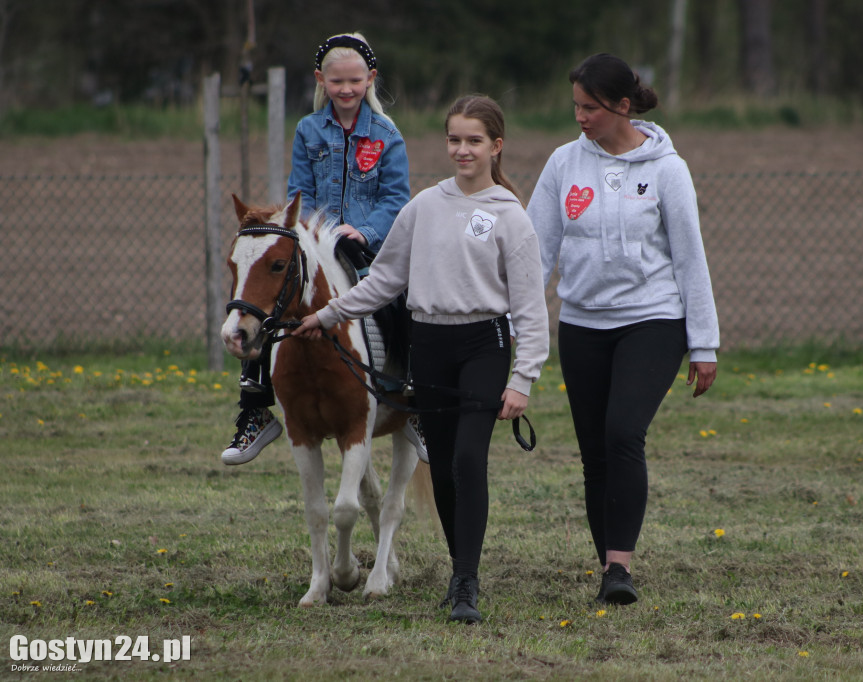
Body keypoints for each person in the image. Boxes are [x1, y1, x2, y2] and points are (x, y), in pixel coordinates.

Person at [291, 95, 549, 624]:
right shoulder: (424, 206)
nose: (462, 150)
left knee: (467, 460)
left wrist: (523, 379)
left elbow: (529, 308)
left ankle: (466, 585)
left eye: (474, 140)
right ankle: (460, 569)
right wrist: (326, 315)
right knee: (445, 467)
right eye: (454, 139)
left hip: (484, 346)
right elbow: (385, 280)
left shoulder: (511, 218)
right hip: (429, 344)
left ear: (495, 146)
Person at [526, 53, 719, 605]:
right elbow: (537, 253)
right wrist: (517, 323)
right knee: (594, 452)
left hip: (653, 320)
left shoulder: (667, 169)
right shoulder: (563, 164)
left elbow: (691, 259)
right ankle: (608, 566)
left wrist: (703, 344)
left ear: (622, 106)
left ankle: (621, 568)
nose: (581, 117)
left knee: (622, 433)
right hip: (582, 324)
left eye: (591, 107)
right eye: (576, 106)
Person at [222, 32, 411, 466]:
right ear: (319, 80)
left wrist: (362, 231)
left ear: (371, 79)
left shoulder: (387, 135)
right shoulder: (308, 130)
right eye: (336, 81)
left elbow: (396, 199)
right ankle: (255, 407)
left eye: (355, 81)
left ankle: (410, 390)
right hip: (316, 244)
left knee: (407, 297)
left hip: (367, 245)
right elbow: (299, 192)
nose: (346, 89)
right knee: (272, 302)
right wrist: (307, 231)